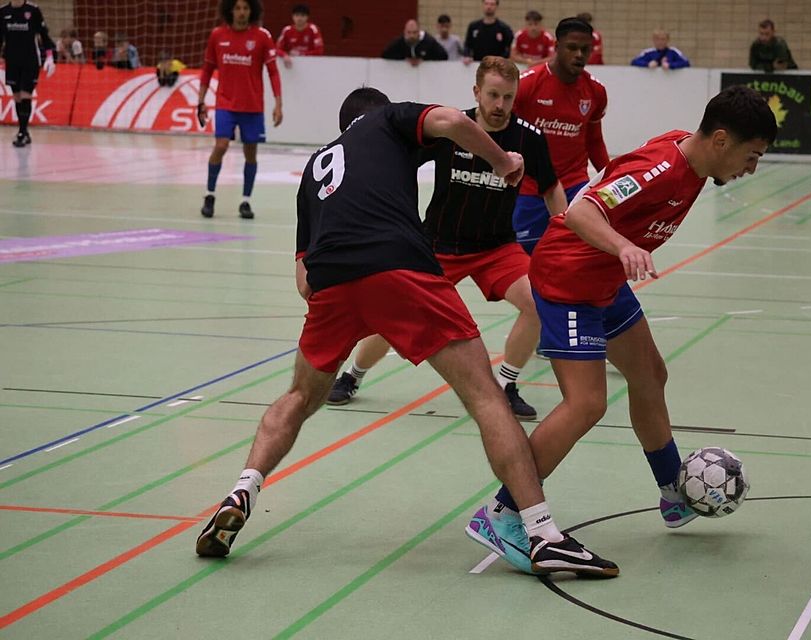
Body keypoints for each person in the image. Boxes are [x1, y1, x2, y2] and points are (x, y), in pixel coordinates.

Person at [194, 85, 618, 578]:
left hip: (332, 282)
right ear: (378, 113)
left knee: (298, 398)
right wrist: (503, 163)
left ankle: (242, 489)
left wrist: (359, 302)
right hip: (400, 264)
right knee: (486, 397)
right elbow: (456, 125)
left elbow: (304, 281)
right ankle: (543, 535)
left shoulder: (314, 169)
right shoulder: (389, 119)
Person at [479, 85, 777, 570]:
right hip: (568, 280)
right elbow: (580, 211)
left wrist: (615, 257)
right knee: (587, 403)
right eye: (752, 156)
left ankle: (671, 494)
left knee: (650, 375)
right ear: (721, 140)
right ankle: (502, 512)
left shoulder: (697, 163)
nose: (751, 168)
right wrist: (622, 247)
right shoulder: (661, 168)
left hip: (603, 280)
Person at [327, 57, 567, 423]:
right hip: (437, 245)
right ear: (476, 93)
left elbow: (552, 189)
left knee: (538, 302)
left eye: (508, 97)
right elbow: (398, 161)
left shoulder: (528, 138)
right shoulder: (452, 129)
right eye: (492, 95)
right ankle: (351, 377)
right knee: (395, 315)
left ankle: (506, 385)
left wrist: (562, 235)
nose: (500, 105)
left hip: (497, 248)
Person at [511, 17, 608, 254]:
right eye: (572, 48)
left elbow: (594, 141)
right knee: (524, 260)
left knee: (585, 255)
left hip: (575, 185)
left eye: (585, 50)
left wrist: (609, 178)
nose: (579, 55)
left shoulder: (595, 91)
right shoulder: (527, 85)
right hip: (530, 188)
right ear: (556, 46)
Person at [197, 0, 282, 221]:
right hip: (225, 103)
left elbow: (273, 72)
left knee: (250, 153)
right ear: (230, 11)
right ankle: (210, 195)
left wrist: (278, 103)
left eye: (245, 8)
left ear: (251, 11)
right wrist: (201, 101)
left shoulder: (262, 36)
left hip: (252, 106)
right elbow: (207, 70)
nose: (241, 12)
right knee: (221, 145)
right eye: (237, 8)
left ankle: (246, 200)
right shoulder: (217, 35)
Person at [0, 0, 56, 148]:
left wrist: (50, 57)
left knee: (25, 94)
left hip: (30, 60)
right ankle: (24, 131)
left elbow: (44, 35)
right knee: (17, 96)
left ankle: (22, 132)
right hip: (11, 60)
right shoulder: (3, 11)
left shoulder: (33, 10)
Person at [276, 3, 324, 69]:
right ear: (292, 16)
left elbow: (319, 51)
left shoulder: (313, 29)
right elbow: (277, 49)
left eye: (302, 16)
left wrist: (301, 54)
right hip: (292, 65)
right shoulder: (287, 30)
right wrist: (284, 55)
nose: (299, 18)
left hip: (311, 64)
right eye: (297, 15)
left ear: (307, 17)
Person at [382, 18, 448, 65]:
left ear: (419, 32)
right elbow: (385, 54)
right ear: (404, 32)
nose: (412, 36)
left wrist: (424, 60)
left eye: (414, 32)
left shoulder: (428, 41)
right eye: (409, 32)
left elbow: (443, 56)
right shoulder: (400, 41)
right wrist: (404, 59)